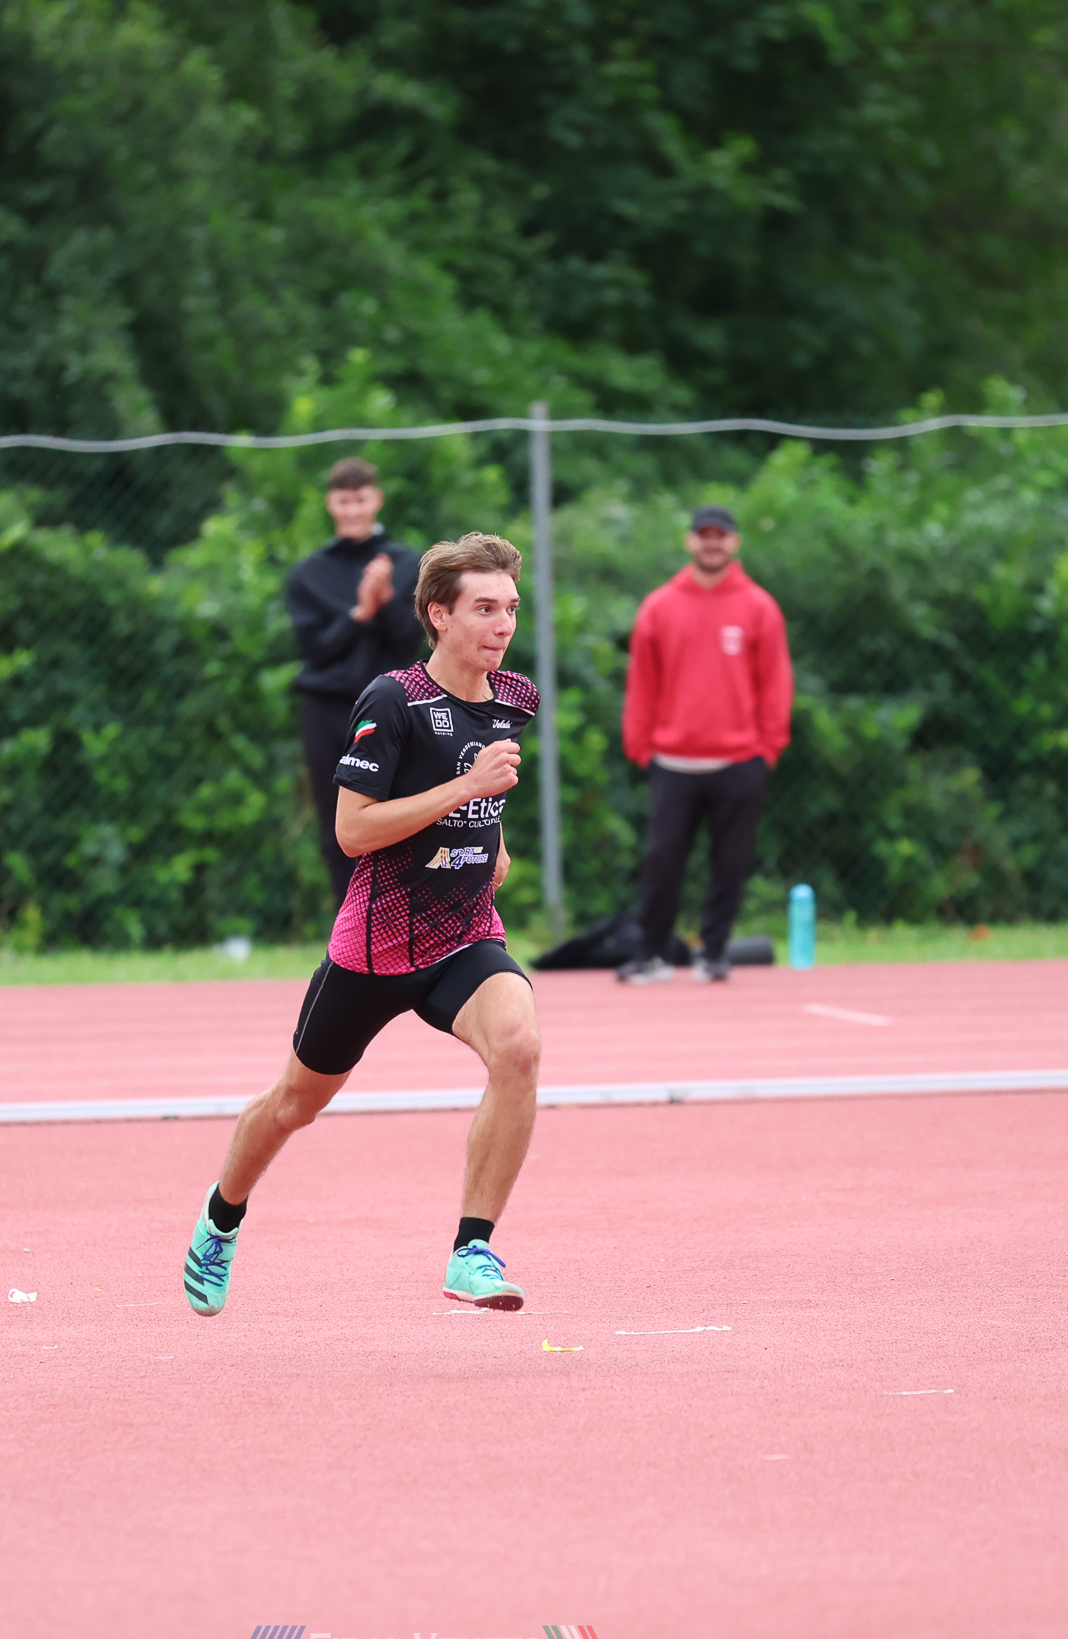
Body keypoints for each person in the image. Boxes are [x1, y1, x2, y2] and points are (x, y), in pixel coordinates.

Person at [187, 533, 542, 1315]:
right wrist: (466, 791)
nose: (504, 625)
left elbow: (484, 785)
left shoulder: (515, 697)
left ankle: (473, 1251)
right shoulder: (392, 699)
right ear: (439, 614)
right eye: (485, 609)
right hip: (376, 948)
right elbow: (353, 831)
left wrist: (494, 840)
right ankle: (221, 1217)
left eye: (512, 608)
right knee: (295, 1104)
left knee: (519, 1047)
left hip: (464, 934)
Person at [617, 503, 792, 984]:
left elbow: (775, 683)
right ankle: (651, 953)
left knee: (731, 864)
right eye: (704, 535)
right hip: (673, 761)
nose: (712, 543)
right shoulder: (660, 606)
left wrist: (767, 748)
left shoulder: (758, 607)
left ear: (734, 542)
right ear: (690, 541)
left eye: (721, 535)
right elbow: (642, 683)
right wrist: (641, 746)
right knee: (662, 861)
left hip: (740, 760)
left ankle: (714, 952)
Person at [284, 459, 425, 902]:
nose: (352, 510)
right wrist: (360, 612)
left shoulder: (408, 565)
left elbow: (408, 644)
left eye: (360, 500)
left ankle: (402, 920)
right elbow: (315, 651)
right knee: (338, 824)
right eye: (344, 501)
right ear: (330, 504)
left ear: (376, 500)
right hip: (328, 711)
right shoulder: (308, 574)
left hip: (393, 709)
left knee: (403, 813)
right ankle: (349, 927)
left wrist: (386, 601)